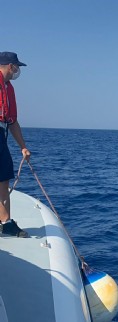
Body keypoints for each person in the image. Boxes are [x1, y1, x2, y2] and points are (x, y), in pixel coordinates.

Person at [0, 52, 30, 237]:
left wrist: (23, 146)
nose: (18, 70)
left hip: (1, 132)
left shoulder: (8, 88)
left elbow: (12, 121)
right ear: (10, 66)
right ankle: (5, 222)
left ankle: (5, 221)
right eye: (17, 66)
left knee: (4, 176)